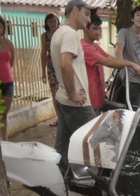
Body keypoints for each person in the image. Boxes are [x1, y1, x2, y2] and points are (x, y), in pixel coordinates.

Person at [50, 0, 96, 173]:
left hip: (63, 100)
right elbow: (65, 64)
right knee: (93, 145)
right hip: (76, 103)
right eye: (86, 13)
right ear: (75, 10)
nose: (89, 19)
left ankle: (61, 181)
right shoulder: (69, 34)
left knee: (62, 146)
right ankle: (93, 186)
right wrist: (73, 94)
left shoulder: (59, 32)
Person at [81, 14, 140, 114]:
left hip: (98, 100)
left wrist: (131, 64)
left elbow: (110, 58)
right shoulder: (85, 47)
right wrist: (132, 65)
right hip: (89, 103)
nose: (98, 32)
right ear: (86, 28)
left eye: (99, 29)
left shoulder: (95, 46)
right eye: (95, 28)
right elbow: (108, 62)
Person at [0, 15, 15, 140]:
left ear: (3, 29)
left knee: (3, 114)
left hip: (8, 83)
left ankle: (4, 140)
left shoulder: (8, 43)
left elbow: (11, 62)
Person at [40, 13, 60, 127]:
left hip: (62, 66)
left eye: (54, 21)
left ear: (58, 21)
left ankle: (65, 117)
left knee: (64, 92)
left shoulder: (62, 34)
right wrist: (43, 71)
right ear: (46, 23)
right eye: (50, 21)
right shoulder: (44, 36)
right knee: (54, 93)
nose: (52, 23)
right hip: (51, 67)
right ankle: (59, 118)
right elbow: (43, 54)